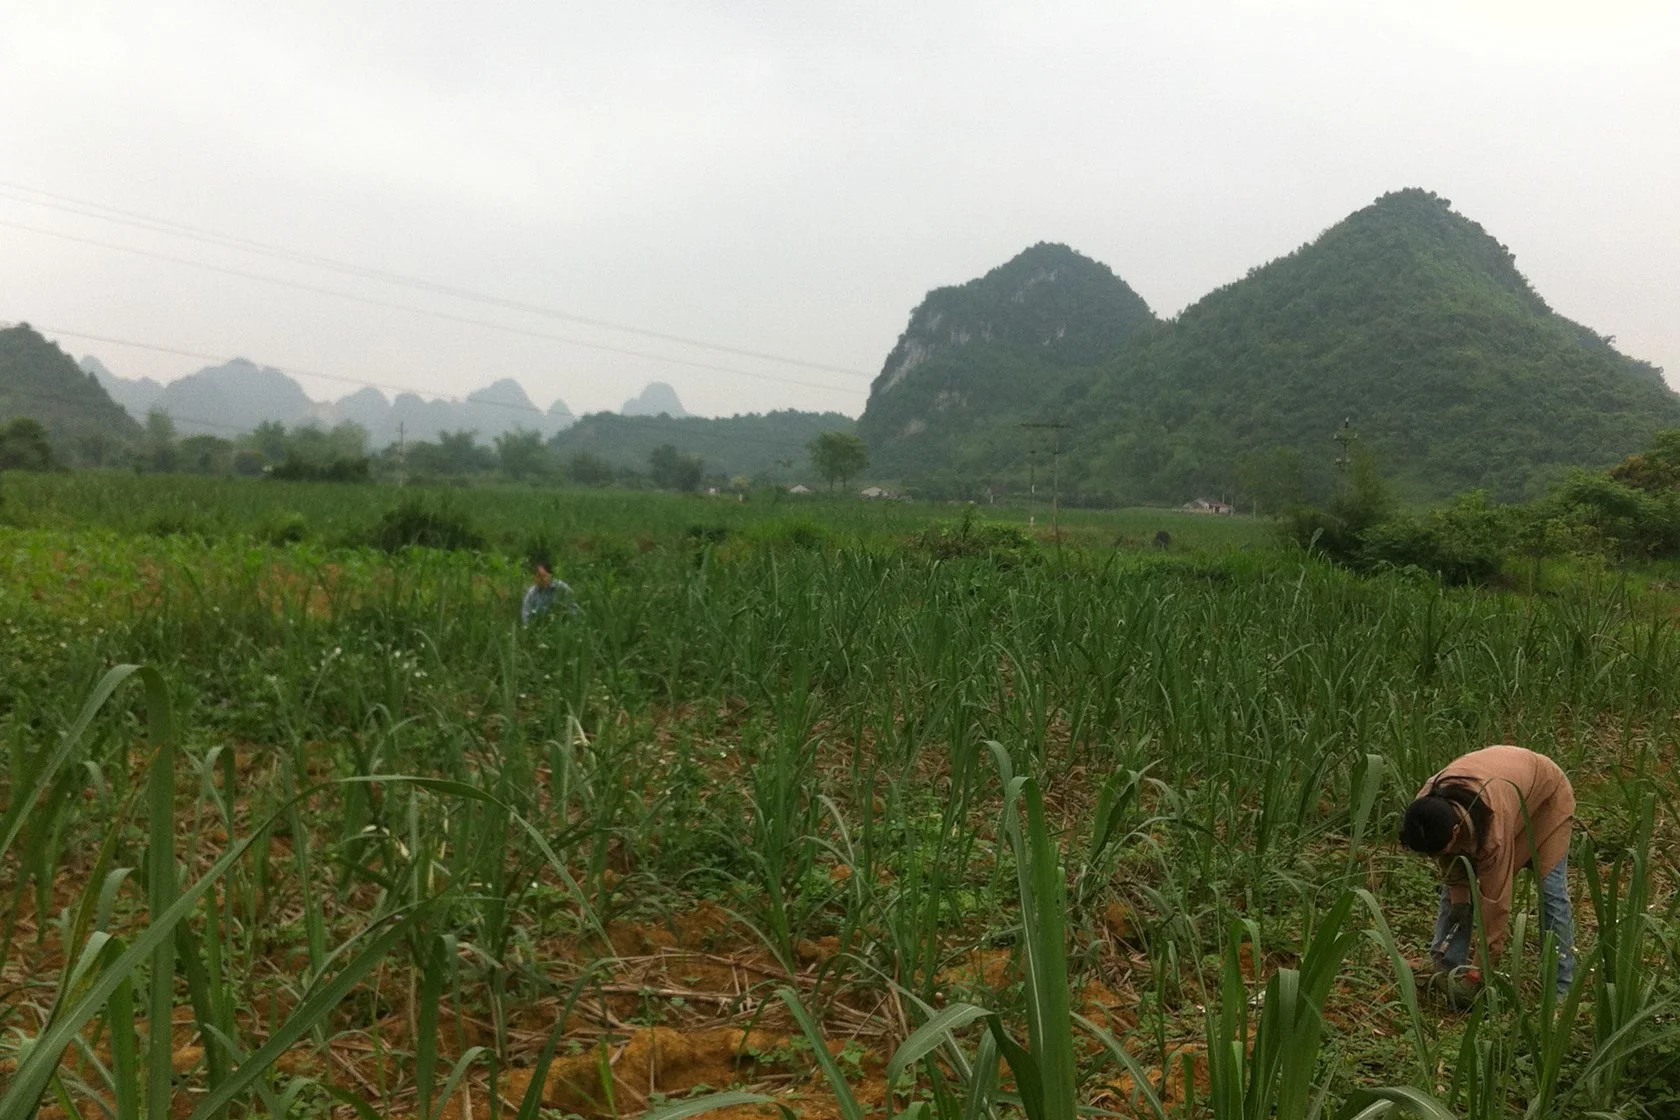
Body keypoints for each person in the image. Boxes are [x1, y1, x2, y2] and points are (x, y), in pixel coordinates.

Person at [1398, 744, 1576, 1006]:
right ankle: (1446, 966)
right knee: (1454, 893)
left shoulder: (1494, 833)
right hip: (1506, 785)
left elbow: (1496, 904)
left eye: (1439, 851)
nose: (1435, 859)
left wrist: (1478, 971)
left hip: (1545, 799)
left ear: (1456, 831)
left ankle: (1561, 988)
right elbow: (1452, 868)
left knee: (1551, 894)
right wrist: (1459, 900)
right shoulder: (1425, 807)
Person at [521, 561, 577, 625]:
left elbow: (573, 609)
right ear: (534, 578)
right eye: (538, 577)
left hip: (562, 625)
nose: (542, 579)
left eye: (544, 576)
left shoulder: (562, 588)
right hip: (540, 627)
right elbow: (525, 613)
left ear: (550, 575)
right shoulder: (531, 593)